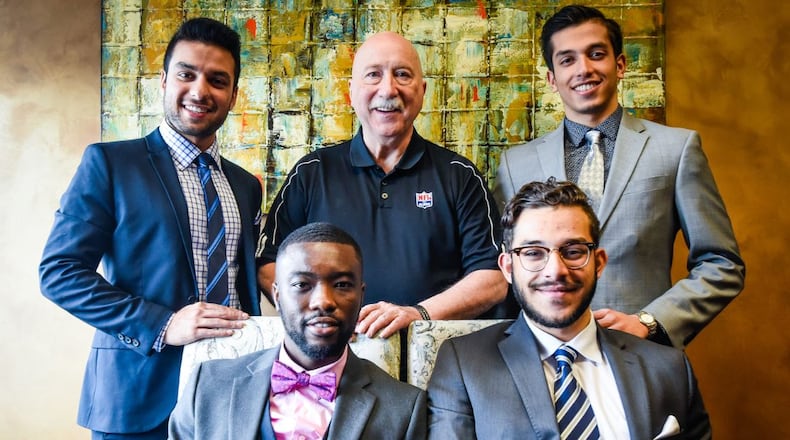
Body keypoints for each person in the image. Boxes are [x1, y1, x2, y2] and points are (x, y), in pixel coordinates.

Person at [38, 18, 262, 439]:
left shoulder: (246, 186)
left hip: (233, 396)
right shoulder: (110, 164)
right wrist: (162, 324)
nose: (199, 91)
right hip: (136, 398)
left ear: (233, 95)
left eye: (217, 80)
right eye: (186, 74)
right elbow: (59, 272)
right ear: (163, 81)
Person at [494, 4, 745, 348]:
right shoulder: (514, 165)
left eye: (596, 54)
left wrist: (650, 322)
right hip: (541, 358)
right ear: (551, 78)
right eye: (567, 59)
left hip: (642, 356)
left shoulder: (676, 149)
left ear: (620, 64)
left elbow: (722, 264)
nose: (584, 69)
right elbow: (505, 272)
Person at [257, 32, 506, 338]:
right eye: (373, 75)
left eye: (402, 74)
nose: (388, 89)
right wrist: (317, 315)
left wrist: (417, 315)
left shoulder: (461, 176)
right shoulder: (311, 173)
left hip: (437, 361)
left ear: (422, 90)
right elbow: (269, 266)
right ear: (351, 90)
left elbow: (493, 278)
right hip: (333, 358)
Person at [427, 178, 711, 439]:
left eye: (573, 251)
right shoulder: (464, 365)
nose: (555, 270)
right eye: (533, 253)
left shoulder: (670, 369)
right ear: (508, 267)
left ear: (598, 262)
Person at [170, 222, 427, 439]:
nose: (323, 301)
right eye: (302, 284)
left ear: (361, 296)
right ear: (278, 296)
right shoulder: (209, 384)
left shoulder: (404, 408)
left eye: (341, 284)